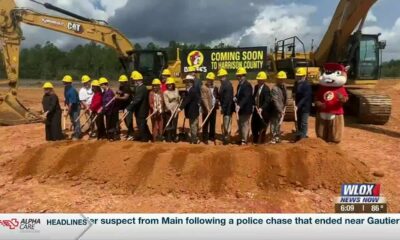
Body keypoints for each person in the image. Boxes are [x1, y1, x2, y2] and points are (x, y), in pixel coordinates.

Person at [126, 71, 152, 142]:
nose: (133, 81)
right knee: (142, 124)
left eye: (134, 80)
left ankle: (144, 139)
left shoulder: (142, 88)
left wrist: (128, 108)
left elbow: (137, 100)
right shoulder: (139, 88)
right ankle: (149, 137)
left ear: (138, 80)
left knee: (141, 125)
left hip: (142, 110)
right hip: (139, 110)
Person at [178, 75, 200, 144]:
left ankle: (194, 139)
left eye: (188, 82)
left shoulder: (192, 90)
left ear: (191, 82)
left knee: (193, 125)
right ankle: (194, 137)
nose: (187, 83)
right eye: (186, 82)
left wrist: (180, 108)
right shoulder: (189, 90)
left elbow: (187, 100)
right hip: (192, 111)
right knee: (193, 124)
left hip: (193, 111)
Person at [234, 67, 253, 145]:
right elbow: (239, 94)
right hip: (240, 109)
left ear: (243, 76)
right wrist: (235, 97)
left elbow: (246, 97)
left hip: (246, 109)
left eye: (239, 76)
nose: (237, 77)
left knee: (245, 124)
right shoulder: (240, 85)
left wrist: (240, 105)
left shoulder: (247, 85)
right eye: (237, 76)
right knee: (240, 124)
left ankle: (244, 140)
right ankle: (241, 138)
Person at [293, 67, 312, 141]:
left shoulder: (307, 85)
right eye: (298, 76)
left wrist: (298, 106)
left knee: (303, 122)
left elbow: (305, 97)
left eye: (300, 76)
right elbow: (294, 92)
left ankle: (303, 137)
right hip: (297, 106)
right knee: (298, 121)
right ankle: (299, 135)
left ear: (304, 76)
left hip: (304, 107)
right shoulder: (296, 83)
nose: (299, 78)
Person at [251, 71, 271, 144]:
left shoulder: (266, 89)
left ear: (264, 80)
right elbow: (254, 97)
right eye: (258, 80)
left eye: (260, 80)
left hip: (263, 112)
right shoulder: (256, 87)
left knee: (262, 128)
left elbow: (267, 101)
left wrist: (261, 108)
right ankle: (255, 140)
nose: (258, 81)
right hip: (256, 111)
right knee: (254, 126)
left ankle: (261, 143)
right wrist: (253, 104)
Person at [200, 72, 219, 144]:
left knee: (212, 122)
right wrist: (208, 108)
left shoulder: (215, 87)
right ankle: (205, 138)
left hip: (213, 108)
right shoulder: (203, 87)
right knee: (205, 123)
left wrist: (217, 101)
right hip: (206, 109)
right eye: (208, 79)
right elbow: (204, 98)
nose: (209, 81)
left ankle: (212, 136)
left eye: (211, 80)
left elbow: (217, 96)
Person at [270, 71, 288, 144]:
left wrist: (285, 106)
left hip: (281, 108)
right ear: (277, 79)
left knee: (278, 124)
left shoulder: (284, 87)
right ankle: (273, 138)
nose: (282, 80)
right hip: (275, 110)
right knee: (274, 123)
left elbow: (285, 97)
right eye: (280, 79)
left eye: (283, 79)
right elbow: (275, 101)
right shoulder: (274, 89)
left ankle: (277, 137)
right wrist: (280, 110)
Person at [218, 68, 235, 145]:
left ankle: (227, 138)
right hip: (225, 107)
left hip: (228, 108)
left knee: (227, 122)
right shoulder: (223, 84)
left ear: (225, 76)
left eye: (221, 77)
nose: (220, 78)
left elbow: (227, 99)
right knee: (225, 122)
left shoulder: (227, 85)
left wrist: (223, 108)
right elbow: (221, 96)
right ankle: (225, 135)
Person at [62, 75, 81, 140]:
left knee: (76, 120)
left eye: (66, 82)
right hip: (71, 106)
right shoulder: (66, 89)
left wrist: (67, 113)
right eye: (64, 82)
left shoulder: (72, 91)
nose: (64, 84)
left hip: (75, 107)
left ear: (70, 83)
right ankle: (75, 131)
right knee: (72, 120)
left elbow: (71, 104)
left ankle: (78, 134)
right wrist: (65, 100)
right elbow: (66, 97)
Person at [115, 74, 134, 140]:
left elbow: (126, 97)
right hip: (124, 106)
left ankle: (131, 134)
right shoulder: (122, 87)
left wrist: (118, 97)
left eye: (122, 81)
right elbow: (122, 92)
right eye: (120, 81)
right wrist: (119, 92)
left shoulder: (127, 87)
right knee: (126, 120)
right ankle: (129, 133)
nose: (120, 83)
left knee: (128, 120)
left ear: (125, 82)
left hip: (128, 106)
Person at [163, 77, 181, 142]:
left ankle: (174, 136)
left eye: (170, 84)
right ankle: (168, 137)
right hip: (169, 111)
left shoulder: (176, 90)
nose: (169, 85)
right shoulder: (165, 92)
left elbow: (178, 99)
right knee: (169, 123)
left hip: (176, 110)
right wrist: (170, 110)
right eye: (168, 84)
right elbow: (166, 102)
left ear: (173, 84)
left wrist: (179, 106)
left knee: (174, 124)